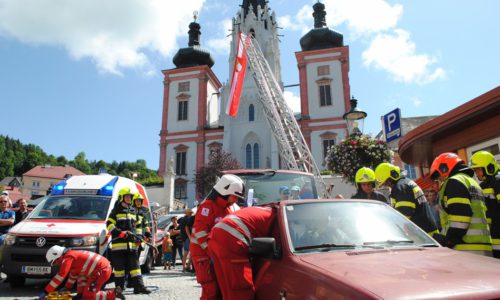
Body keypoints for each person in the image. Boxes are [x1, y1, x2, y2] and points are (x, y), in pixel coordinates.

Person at [190, 174, 245, 300]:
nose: (236, 200)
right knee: (211, 290)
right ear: (225, 192)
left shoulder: (229, 208)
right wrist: (213, 252)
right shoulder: (207, 207)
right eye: (235, 196)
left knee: (221, 289)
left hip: (217, 255)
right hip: (203, 255)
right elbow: (201, 233)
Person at [430, 152, 492, 256]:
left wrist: (448, 240)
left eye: (438, 175)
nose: (439, 179)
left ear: (444, 168)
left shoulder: (454, 182)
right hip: (483, 246)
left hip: (465, 248)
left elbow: (460, 217)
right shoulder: (472, 182)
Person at [208, 206, 276, 300]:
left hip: (216, 238)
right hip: (230, 240)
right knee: (240, 290)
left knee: (227, 289)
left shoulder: (267, 210)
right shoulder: (279, 217)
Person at [106, 187, 151, 294]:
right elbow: (109, 224)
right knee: (119, 270)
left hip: (132, 245)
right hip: (119, 245)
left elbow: (138, 226)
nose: (128, 198)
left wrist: (139, 238)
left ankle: (139, 287)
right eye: (126, 196)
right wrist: (119, 232)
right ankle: (119, 289)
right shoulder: (116, 210)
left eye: (129, 197)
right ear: (121, 197)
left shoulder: (132, 210)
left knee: (135, 268)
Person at [39, 245, 125, 300]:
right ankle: (81, 294)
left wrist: (46, 291)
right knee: (80, 277)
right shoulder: (72, 255)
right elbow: (73, 274)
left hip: (101, 271)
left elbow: (61, 275)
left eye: (55, 262)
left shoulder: (67, 257)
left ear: (57, 255)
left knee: (88, 296)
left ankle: (114, 294)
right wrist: (67, 287)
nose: (57, 264)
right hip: (99, 270)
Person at [375, 162, 439, 236]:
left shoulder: (401, 187)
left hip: (423, 234)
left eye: (386, 182)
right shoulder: (406, 183)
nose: (386, 185)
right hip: (425, 232)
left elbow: (404, 214)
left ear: (391, 177)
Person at [469, 150, 500, 257]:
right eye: (475, 170)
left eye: (478, 170)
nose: (477, 174)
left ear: (489, 167)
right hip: (494, 235)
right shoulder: (483, 185)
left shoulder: (498, 181)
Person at [179, 207, 194, 272]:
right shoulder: (188, 219)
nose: (191, 214)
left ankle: (184, 267)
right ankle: (187, 267)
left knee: (186, 252)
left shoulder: (182, 219)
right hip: (188, 237)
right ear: (188, 213)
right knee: (190, 252)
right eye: (190, 213)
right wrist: (190, 237)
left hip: (184, 237)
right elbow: (187, 228)